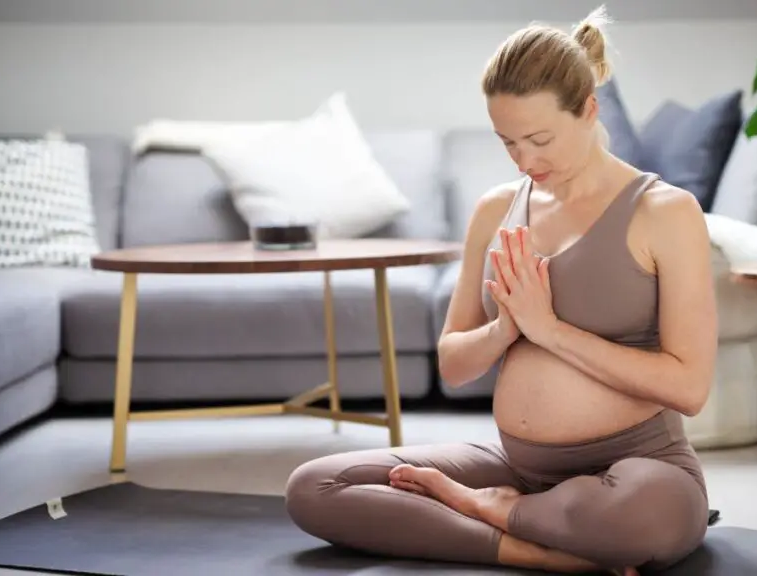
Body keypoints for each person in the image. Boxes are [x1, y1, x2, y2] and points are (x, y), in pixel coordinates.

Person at [285, 6, 717, 575]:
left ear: (588, 110)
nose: (525, 160)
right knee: (316, 486)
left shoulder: (665, 212)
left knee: (648, 516)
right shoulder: (496, 210)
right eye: (508, 142)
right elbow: (454, 364)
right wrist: (506, 328)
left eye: (540, 138)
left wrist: (551, 331)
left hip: (636, 464)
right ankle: (535, 539)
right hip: (513, 464)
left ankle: (506, 517)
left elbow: (688, 386)